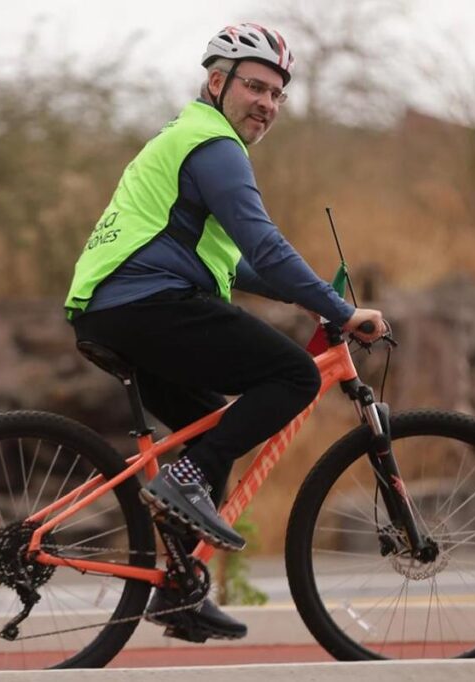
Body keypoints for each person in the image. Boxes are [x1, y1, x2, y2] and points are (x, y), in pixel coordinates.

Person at [64, 23, 385, 641]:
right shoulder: (214, 145)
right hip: (145, 302)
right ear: (219, 82)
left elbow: (235, 263)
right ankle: (185, 482)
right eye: (256, 87)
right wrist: (339, 312)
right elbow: (262, 239)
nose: (267, 103)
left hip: (114, 306)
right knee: (292, 376)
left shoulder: (190, 141)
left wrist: (318, 298)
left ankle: (180, 594)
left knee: (213, 422)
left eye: (277, 94)